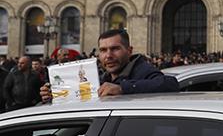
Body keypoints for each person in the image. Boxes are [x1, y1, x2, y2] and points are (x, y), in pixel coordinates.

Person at [41, 29, 179, 101]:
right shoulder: (102, 77)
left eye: (115, 49)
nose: (108, 55)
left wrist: (122, 88)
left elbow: (170, 84)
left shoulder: (141, 70)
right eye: (103, 50)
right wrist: (56, 95)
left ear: (129, 51)